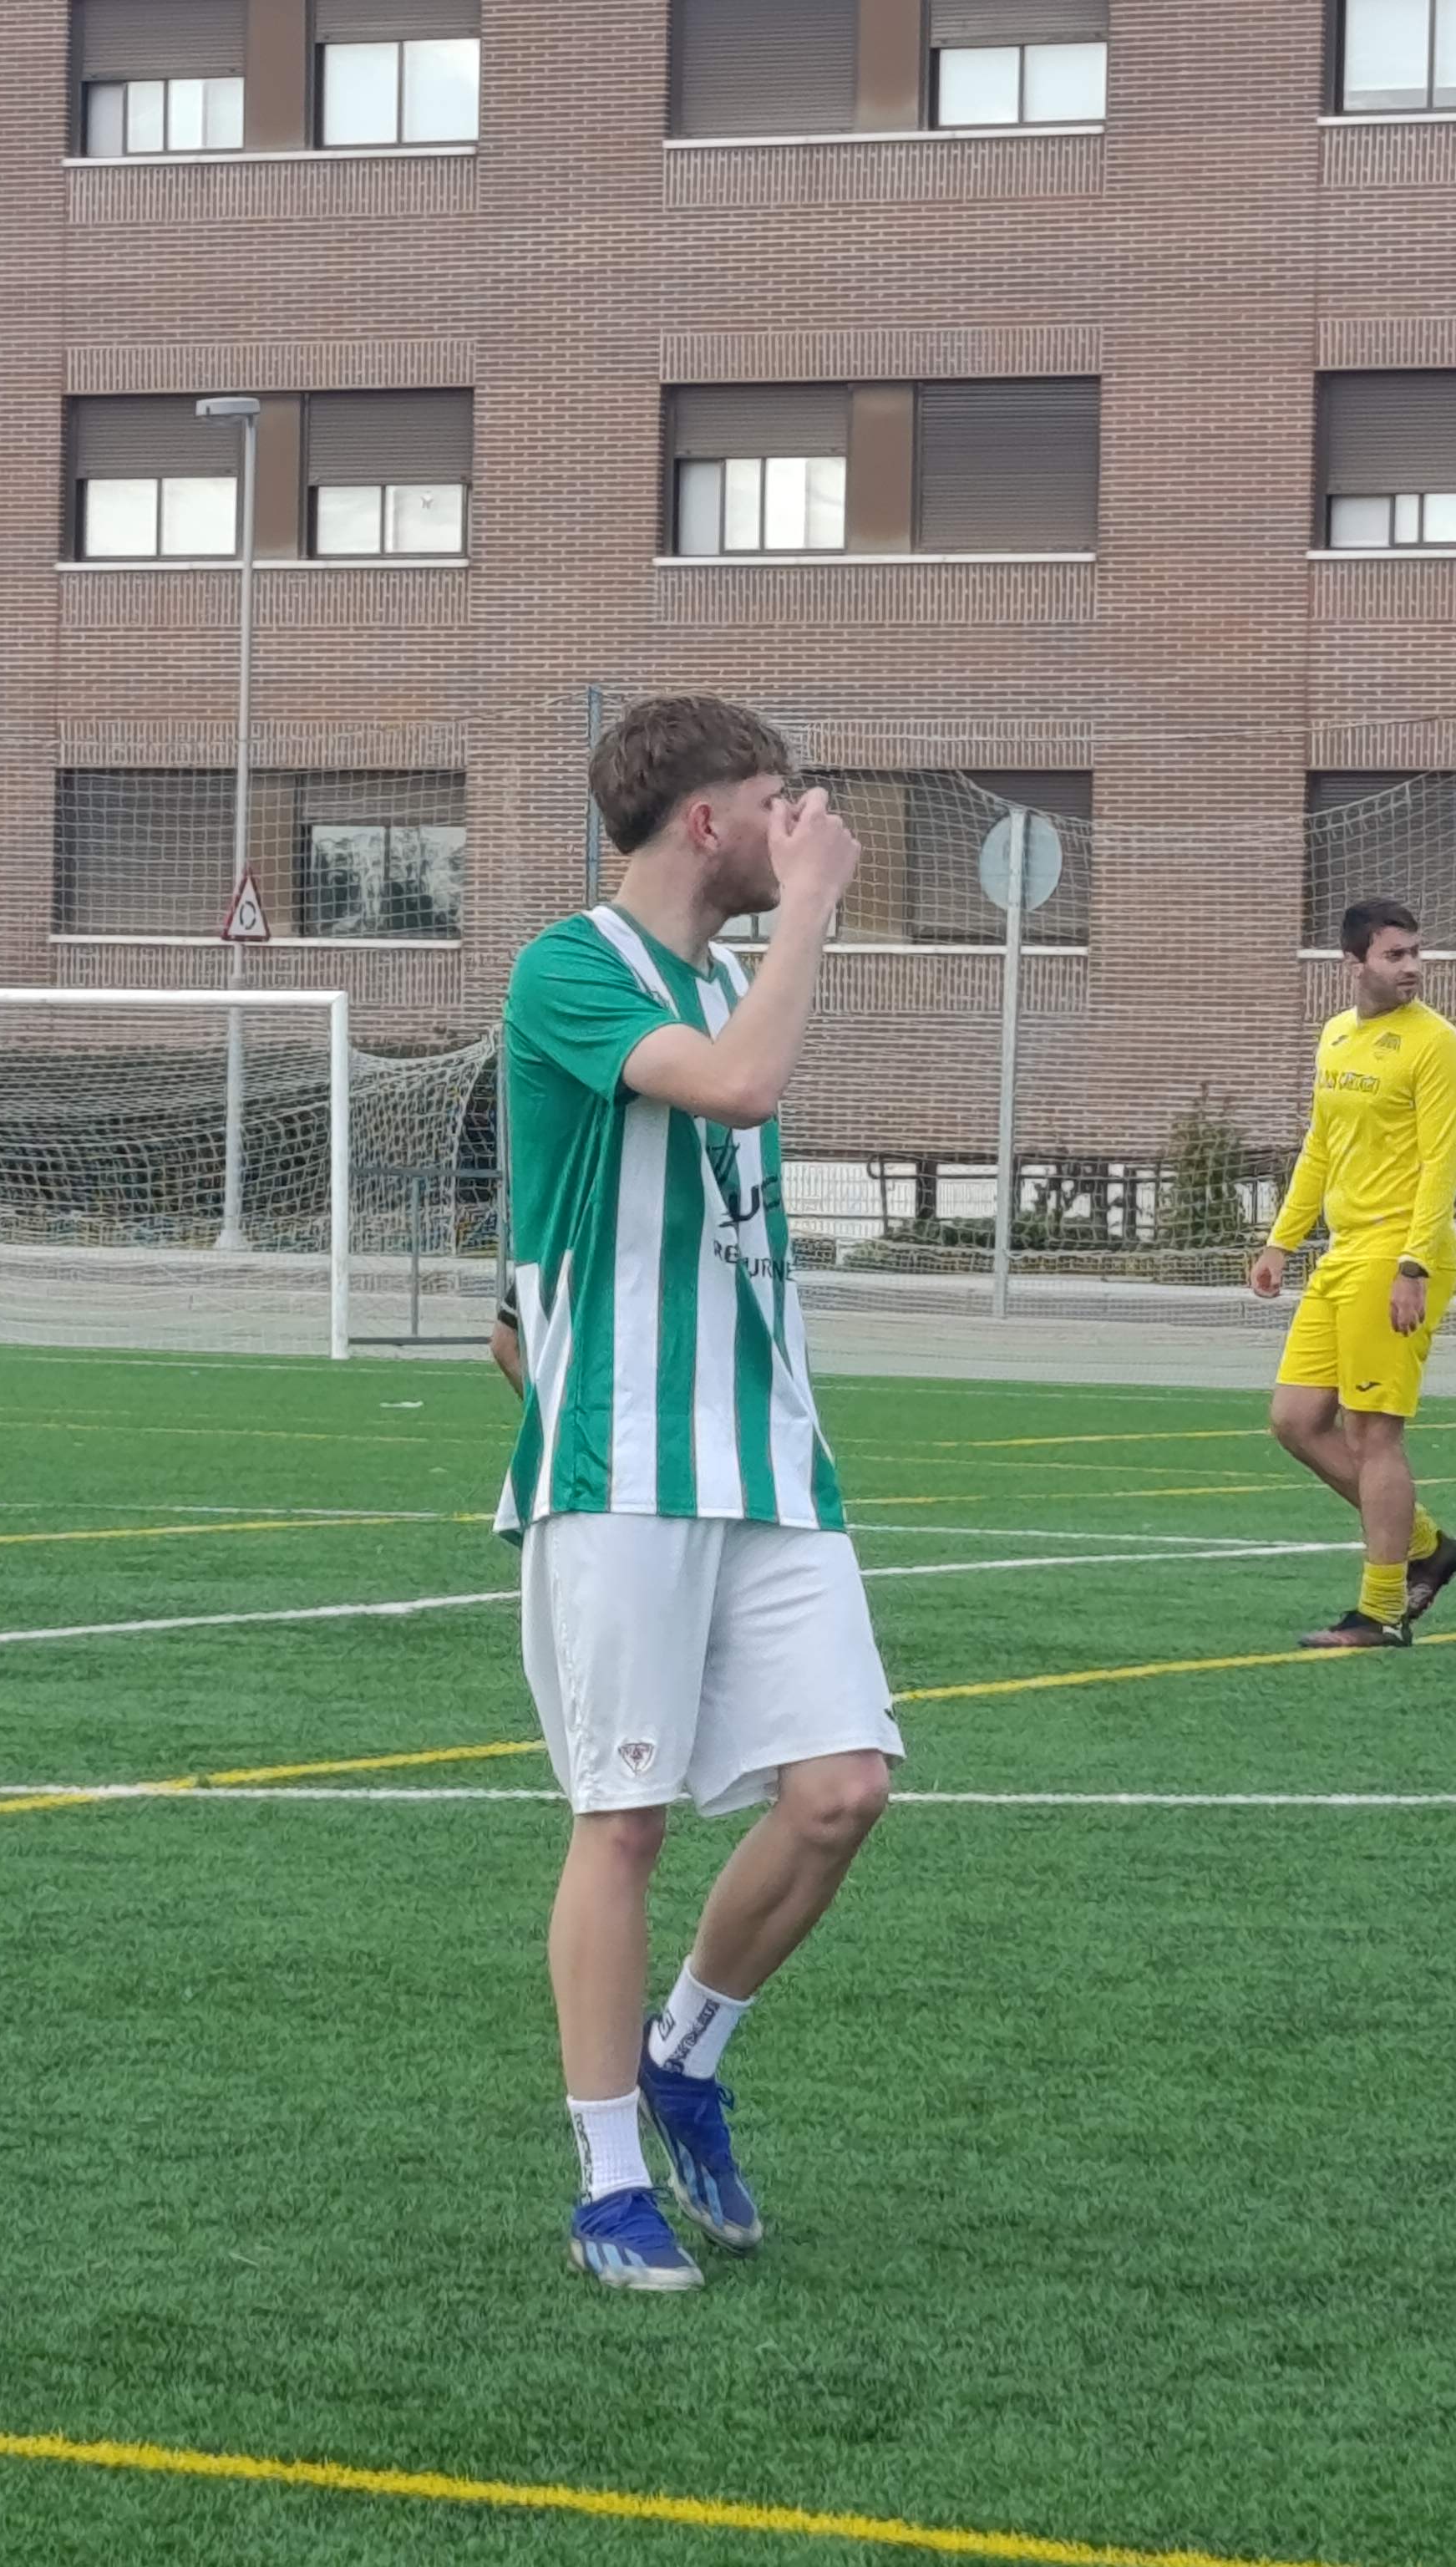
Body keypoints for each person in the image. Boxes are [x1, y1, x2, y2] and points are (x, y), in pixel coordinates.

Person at [494, 695, 900, 2292]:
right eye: (777, 799)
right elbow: (733, 1088)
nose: (804, 825)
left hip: (770, 1457)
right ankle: (607, 2177)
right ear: (706, 821)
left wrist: (789, 931)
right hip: (623, 1460)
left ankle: (687, 2054)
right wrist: (814, 907)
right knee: (627, 1820)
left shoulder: (737, 977)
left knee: (843, 1789)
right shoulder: (571, 964)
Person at [1247, 897, 1456, 1649]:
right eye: (1394, 955)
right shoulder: (1336, 1035)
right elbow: (1321, 1147)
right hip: (1343, 1252)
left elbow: (1443, 1165)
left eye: (1415, 953)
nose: (1412, 967)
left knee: (1373, 1431)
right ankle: (1427, 1546)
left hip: (1400, 1253)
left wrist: (1414, 1264)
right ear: (1354, 963)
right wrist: (1282, 1242)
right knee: (1294, 1420)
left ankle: (1381, 1612)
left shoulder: (1437, 1045)